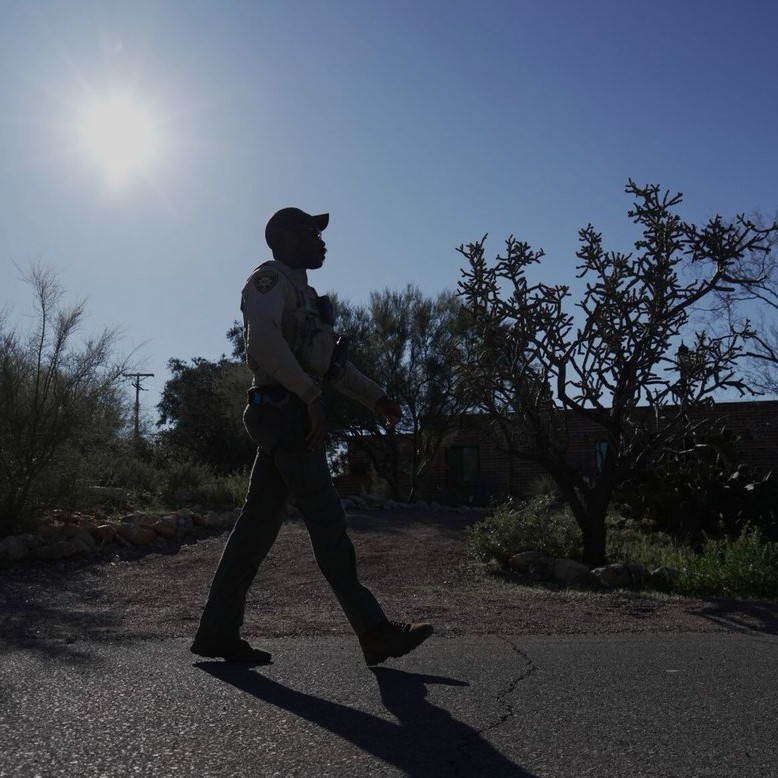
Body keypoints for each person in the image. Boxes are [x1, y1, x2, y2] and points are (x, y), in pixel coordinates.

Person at [191, 207, 433, 666]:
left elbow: (330, 366)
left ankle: (217, 632)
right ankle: (374, 631)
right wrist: (309, 396)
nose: (322, 240)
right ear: (283, 237)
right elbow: (262, 342)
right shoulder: (268, 282)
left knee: (254, 532)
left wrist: (376, 397)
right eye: (311, 232)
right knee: (327, 523)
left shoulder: (307, 297)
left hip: (290, 415)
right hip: (285, 415)